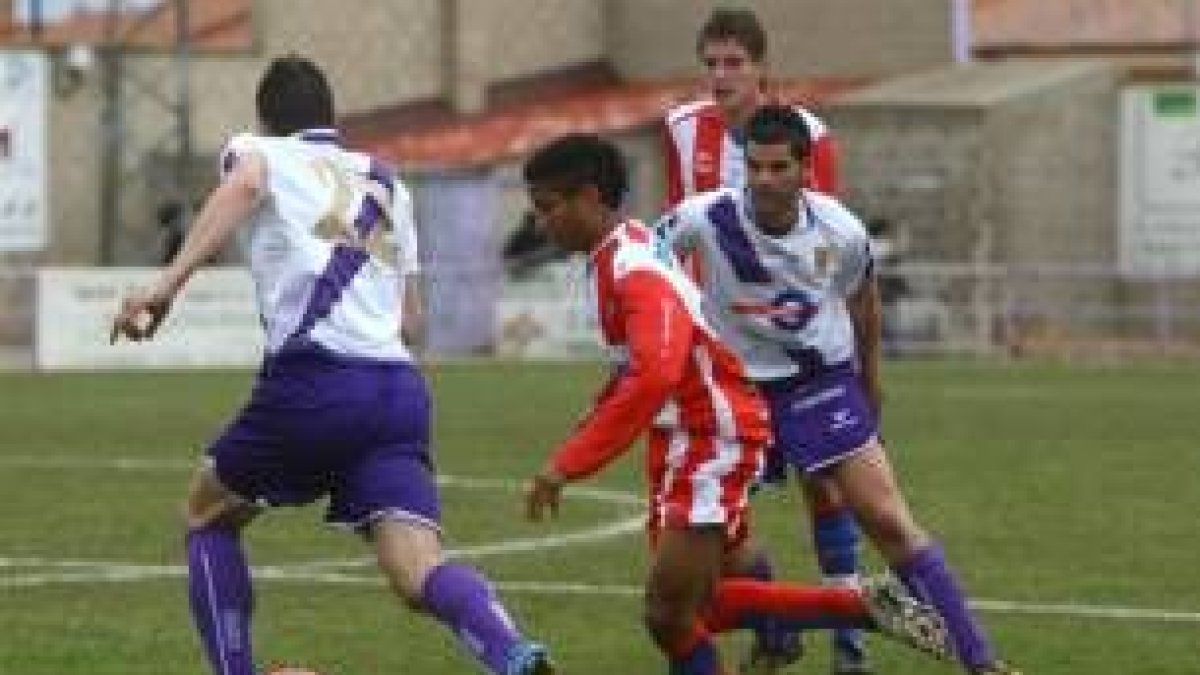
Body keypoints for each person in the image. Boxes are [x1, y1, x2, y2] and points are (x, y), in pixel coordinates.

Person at [109, 55, 555, 675]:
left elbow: (241, 187)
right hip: (398, 392)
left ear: (266, 120)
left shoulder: (260, 151)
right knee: (416, 569)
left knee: (207, 515)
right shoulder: (386, 181)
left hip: (315, 381)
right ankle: (513, 653)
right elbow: (410, 319)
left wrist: (164, 287)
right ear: (330, 118)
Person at [521, 133, 951, 675]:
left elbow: (655, 373)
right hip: (693, 433)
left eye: (547, 208)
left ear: (588, 196)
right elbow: (639, 364)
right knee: (695, 604)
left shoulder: (632, 266)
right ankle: (810, 623)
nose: (541, 224)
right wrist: (598, 408)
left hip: (708, 434)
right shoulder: (615, 255)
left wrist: (568, 463)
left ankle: (857, 607)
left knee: (669, 614)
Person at [655, 104, 1020, 675]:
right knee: (712, 555)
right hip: (734, 394)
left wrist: (871, 381)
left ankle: (981, 662)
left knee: (889, 520)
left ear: (806, 170)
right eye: (754, 167)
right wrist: (670, 340)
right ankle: (784, 630)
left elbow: (863, 303)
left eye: (778, 168)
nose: (764, 181)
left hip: (817, 386)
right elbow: (650, 264)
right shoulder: (703, 217)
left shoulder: (842, 231)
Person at [662, 8, 864, 673]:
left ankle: (848, 636)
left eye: (734, 63)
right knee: (720, 505)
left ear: (760, 69)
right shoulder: (682, 128)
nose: (721, 75)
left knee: (825, 487)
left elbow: (823, 239)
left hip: (797, 348)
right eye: (711, 62)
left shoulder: (807, 134)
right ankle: (780, 626)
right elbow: (672, 237)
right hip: (716, 347)